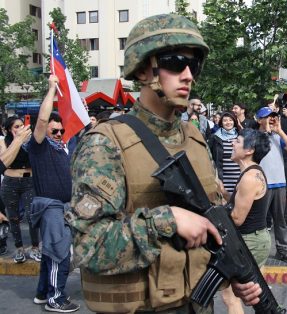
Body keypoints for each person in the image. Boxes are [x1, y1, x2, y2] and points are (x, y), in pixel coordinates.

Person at [67, 14, 261, 313]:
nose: (188, 75)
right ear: (144, 70)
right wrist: (166, 220)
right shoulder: (106, 143)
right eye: (174, 63)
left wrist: (233, 271)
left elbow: (211, 224)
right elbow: (88, 247)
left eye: (193, 65)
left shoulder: (196, 139)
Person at [27, 75, 80, 312]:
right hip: (51, 207)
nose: (58, 134)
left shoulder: (62, 148)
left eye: (61, 131)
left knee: (51, 251)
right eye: (54, 130)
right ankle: (55, 298)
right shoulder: (39, 147)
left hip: (62, 207)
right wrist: (51, 89)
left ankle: (42, 292)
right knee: (59, 252)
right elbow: (41, 120)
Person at [221, 128, 272, 314]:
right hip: (256, 239)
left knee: (230, 296)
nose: (232, 144)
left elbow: (237, 218)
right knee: (260, 297)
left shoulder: (249, 177)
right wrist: (224, 193)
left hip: (249, 241)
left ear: (249, 150)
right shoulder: (252, 173)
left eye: (238, 141)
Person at [257, 106, 287, 263]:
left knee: (280, 220)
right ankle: (259, 251)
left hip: (279, 184)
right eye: (268, 117)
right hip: (262, 185)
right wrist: (267, 130)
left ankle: (282, 250)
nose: (271, 119)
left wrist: (279, 131)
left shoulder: (277, 136)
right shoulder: (254, 136)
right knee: (259, 221)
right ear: (259, 119)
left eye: (273, 116)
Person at [0, 116, 41, 263]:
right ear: (9, 130)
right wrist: (17, 141)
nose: (20, 129)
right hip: (10, 182)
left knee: (32, 216)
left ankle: (35, 248)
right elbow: (4, 161)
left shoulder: (31, 142)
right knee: (13, 217)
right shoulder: (4, 142)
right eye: (16, 127)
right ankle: (19, 249)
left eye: (21, 125)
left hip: (28, 182)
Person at [208, 112, 241, 194]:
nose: (228, 122)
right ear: (221, 123)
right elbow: (208, 156)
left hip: (239, 176)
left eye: (230, 120)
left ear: (234, 122)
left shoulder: (240, 136)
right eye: (225, 120)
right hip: (222, 177)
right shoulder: (215, 137)